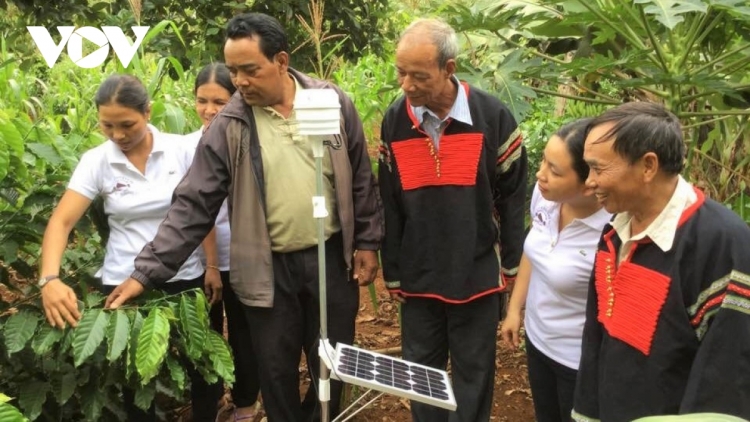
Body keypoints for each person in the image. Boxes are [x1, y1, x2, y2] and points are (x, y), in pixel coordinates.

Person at [102, 13, 384, 422]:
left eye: (250, 70)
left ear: (282, 61)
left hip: (329, 259)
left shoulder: (330, 101)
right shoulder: (231, 124)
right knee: (275, 367)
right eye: (234, 70)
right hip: (268, 267)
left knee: (333, 358)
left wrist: (368, 241)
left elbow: (360, 176)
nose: (240, 81)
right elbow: (193, 204)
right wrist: (144, 272)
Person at [38, 74, 223, 421]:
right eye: (107, 126)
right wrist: (49, 279)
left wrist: (212, 265)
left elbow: (200, 213)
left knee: (202, 369)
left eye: (127, 125)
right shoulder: (97, 161)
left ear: (148, 112)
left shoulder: (182, 150)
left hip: (186, 279)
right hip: (125, 284)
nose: (118, 135)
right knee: (136, 378)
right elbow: (61, 223)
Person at [378, 18, 528, 422]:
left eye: (418, 75)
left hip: (476, 274)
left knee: (474, 372)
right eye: (401, 72)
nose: (406, 85)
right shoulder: (395, 121)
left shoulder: (493, 117)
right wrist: (392, 271)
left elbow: (514, 200)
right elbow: (390, 203)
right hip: (419, 275)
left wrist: (512, 268)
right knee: (420, 373)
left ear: (449, 68)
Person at [572, 102, 750, 421]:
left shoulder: (724, 245)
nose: (589, 182)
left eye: (598, 169)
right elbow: (597, 338)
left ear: (648, 166)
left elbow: (723, 379)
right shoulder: (615, 231)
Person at [500, 118, 611, 422]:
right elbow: (534, 252)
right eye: (544, 163)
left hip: (578, 360)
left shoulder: (611, 233)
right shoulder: (546, 197)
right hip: (538, 341)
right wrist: (514, 309)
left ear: (590, 185)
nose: (540, 175)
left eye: (555, 170)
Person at [187, 62, 261, 421]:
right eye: (202, 101)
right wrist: (211, 264)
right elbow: (197, 210)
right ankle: (213, 399)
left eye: (219, 101)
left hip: (246, 256)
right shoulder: (188, 147)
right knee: (209, 335)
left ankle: (246, 402)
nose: (210, 110)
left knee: (245, 335)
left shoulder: (249, 141)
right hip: (205, 261)